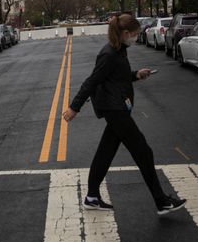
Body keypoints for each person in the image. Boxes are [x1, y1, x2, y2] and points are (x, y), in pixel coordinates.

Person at [62, 12, 187, 216]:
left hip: (118, 107)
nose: (136, 37)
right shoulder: (108, 54)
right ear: (125, 33)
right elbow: (91, 81)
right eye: (135, 34)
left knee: (105, 152)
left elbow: (118, 78)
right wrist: (74, 108)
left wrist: (136, 75)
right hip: (115, 110)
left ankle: (92, 197)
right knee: (143, 152)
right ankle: (161, 201)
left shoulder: (119, 51)